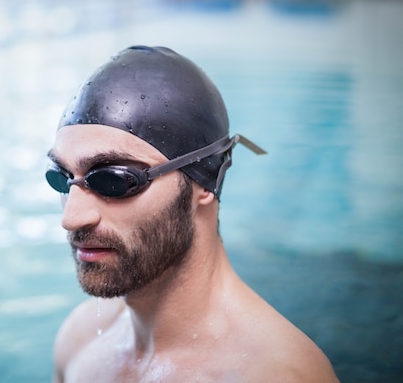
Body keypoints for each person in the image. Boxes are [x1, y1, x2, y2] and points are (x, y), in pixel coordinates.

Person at [45, 46, 339, 382]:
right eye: (62, 179)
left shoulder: (275, 374)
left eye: (114, 180)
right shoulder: (80, 341)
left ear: (205, 180)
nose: (72, 217)